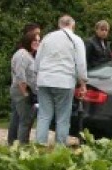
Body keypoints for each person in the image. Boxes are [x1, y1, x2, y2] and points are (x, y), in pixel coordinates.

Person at [34, 15, 88, 146]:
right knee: (62, 117)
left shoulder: (47, 37)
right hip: (64, 81)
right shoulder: (76, 39)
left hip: (44, 80)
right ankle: (60, 147)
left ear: (59, 25)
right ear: (72, 25)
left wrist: (39, 75)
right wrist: (83, 83)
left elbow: (37, 61)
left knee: (44, 115)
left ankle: (39, 146)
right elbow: (80, 64)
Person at [8, 23, 41, 144]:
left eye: (38, 41)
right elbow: (20, 75)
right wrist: (25, 93)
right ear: (28, 41)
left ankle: (14, 143)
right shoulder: (22, 54)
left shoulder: (29, 55)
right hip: (22, 91)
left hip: (25, 90)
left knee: (19, 119)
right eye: (34, 41)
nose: (37, 43)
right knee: (26, 120)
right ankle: (22, 145)